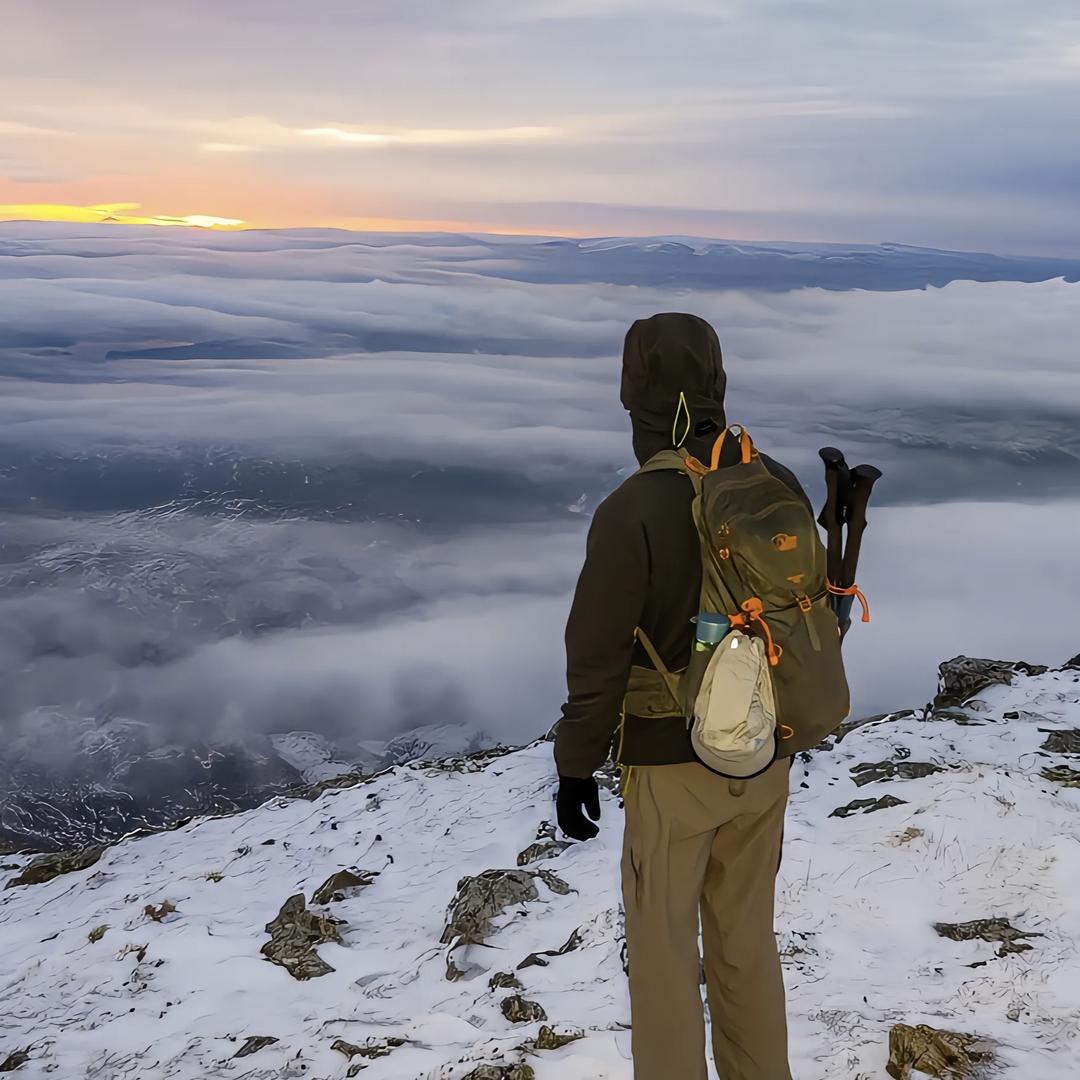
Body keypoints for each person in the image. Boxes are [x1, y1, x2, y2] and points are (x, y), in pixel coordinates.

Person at [553, 312, 811, 1080]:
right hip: (765, 759)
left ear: (634, 398)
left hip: (674, 770)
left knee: (664, 959)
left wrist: (575, 766)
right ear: (716, 386)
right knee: (746, 946)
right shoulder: (776, 485)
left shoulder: (634, 508)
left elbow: (594, 656)